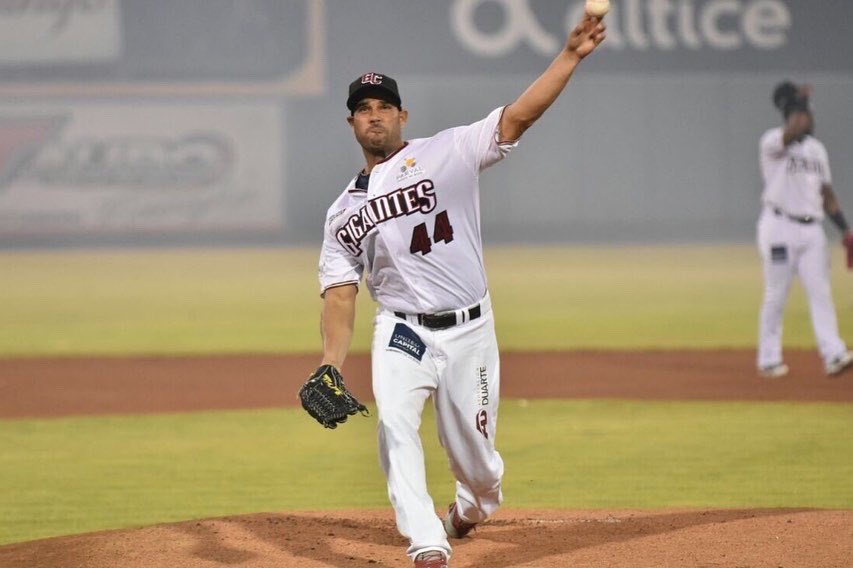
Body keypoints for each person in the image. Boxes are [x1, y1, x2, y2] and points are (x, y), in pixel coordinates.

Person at [313, 14, 606, 568]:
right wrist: (330, 362)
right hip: (401, 329)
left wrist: (569, 57)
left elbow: (520, 115)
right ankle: (426, 539)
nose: (374, 116)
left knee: (478, 463)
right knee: (395, 424)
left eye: (383, 107)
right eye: (363, 109)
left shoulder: (450, 150)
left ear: (402, 115)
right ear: (351, 122)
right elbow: (340, 291)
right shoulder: (342, 213)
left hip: (470, 328)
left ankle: (472, 507)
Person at [756, 81, 853, 378]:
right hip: (779, 226)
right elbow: (791, 133)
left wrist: (845, 231)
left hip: (812, 232)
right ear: (791, 115)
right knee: (776, 293)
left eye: (808, 114)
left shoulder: (816, 150)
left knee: (821, 292)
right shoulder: (773, 142)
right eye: (803, 114)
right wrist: (798, 103)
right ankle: (768, 358)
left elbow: (827, 195)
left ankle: (834, 354)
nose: (809, 119)